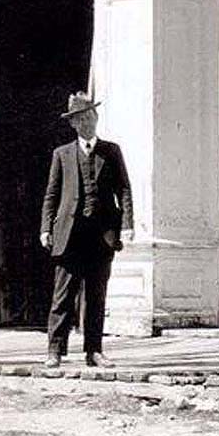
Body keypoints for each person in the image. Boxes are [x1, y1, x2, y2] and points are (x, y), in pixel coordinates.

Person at [40, 93, 133, 368]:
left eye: (91, 116)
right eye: (81, 119)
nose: (88, 122)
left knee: (96, 295)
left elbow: (124, 189)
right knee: (63, 295)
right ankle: (54, 351)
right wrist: (46, 228)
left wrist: (126, 226)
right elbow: (51, 194)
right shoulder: (62, 154)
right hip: (69, 235)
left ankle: (94, 351)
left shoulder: (112, 151)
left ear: (96, 118)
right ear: (74, 124)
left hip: (101, 236)